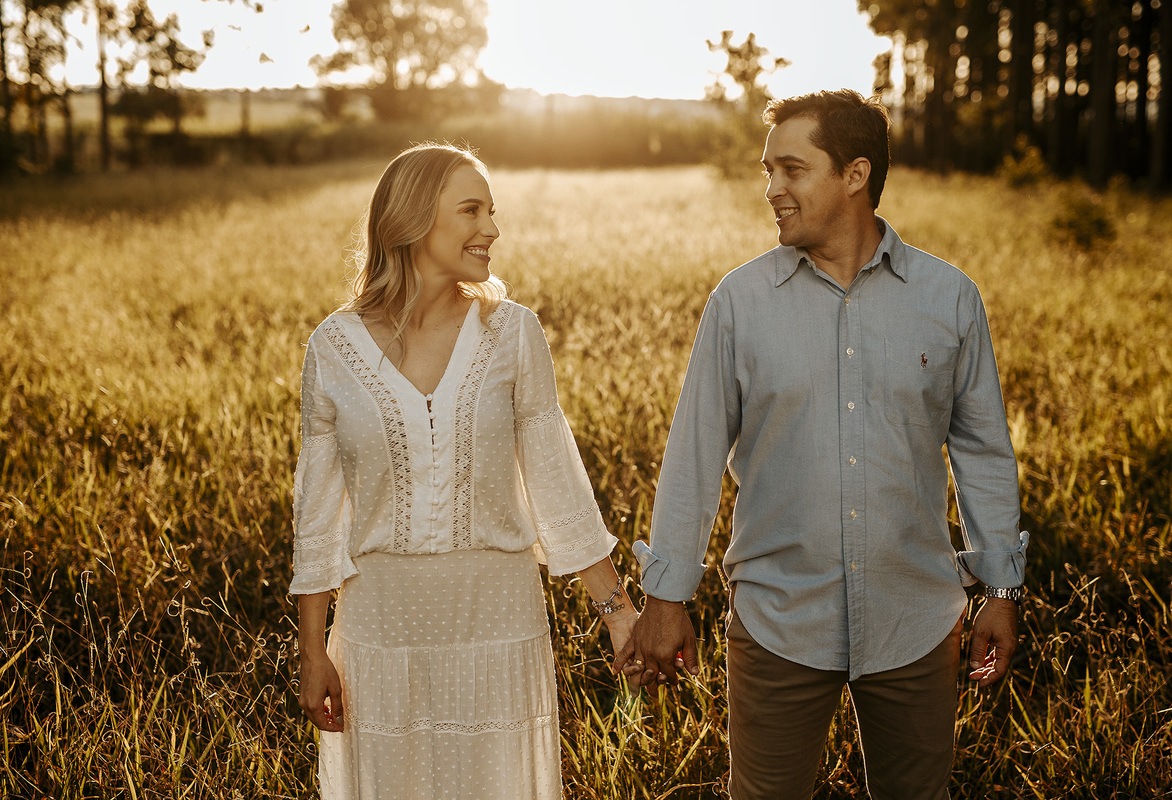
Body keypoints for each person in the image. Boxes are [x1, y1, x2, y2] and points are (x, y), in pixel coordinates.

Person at [615, 89, 1028, 799]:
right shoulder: (739, 303)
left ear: (855, 175)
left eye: (792, 170)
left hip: (917, 620)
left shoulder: (950, 298)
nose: (772, 190)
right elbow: (694, 453)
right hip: (778, 622)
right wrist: (665, 596)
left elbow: (983, 452)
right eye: (767, 171)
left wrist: (1003, 588)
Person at [290, 142, 637, 799]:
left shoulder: (513, 333)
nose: (492, 230)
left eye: (493, 211)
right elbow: (317, 515)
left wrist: (617, 613)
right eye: (472, 210)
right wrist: (313, 652)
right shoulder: (333, 346)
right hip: (380, 630)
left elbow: (556, 482)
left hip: (498, 623)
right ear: (413, 221)